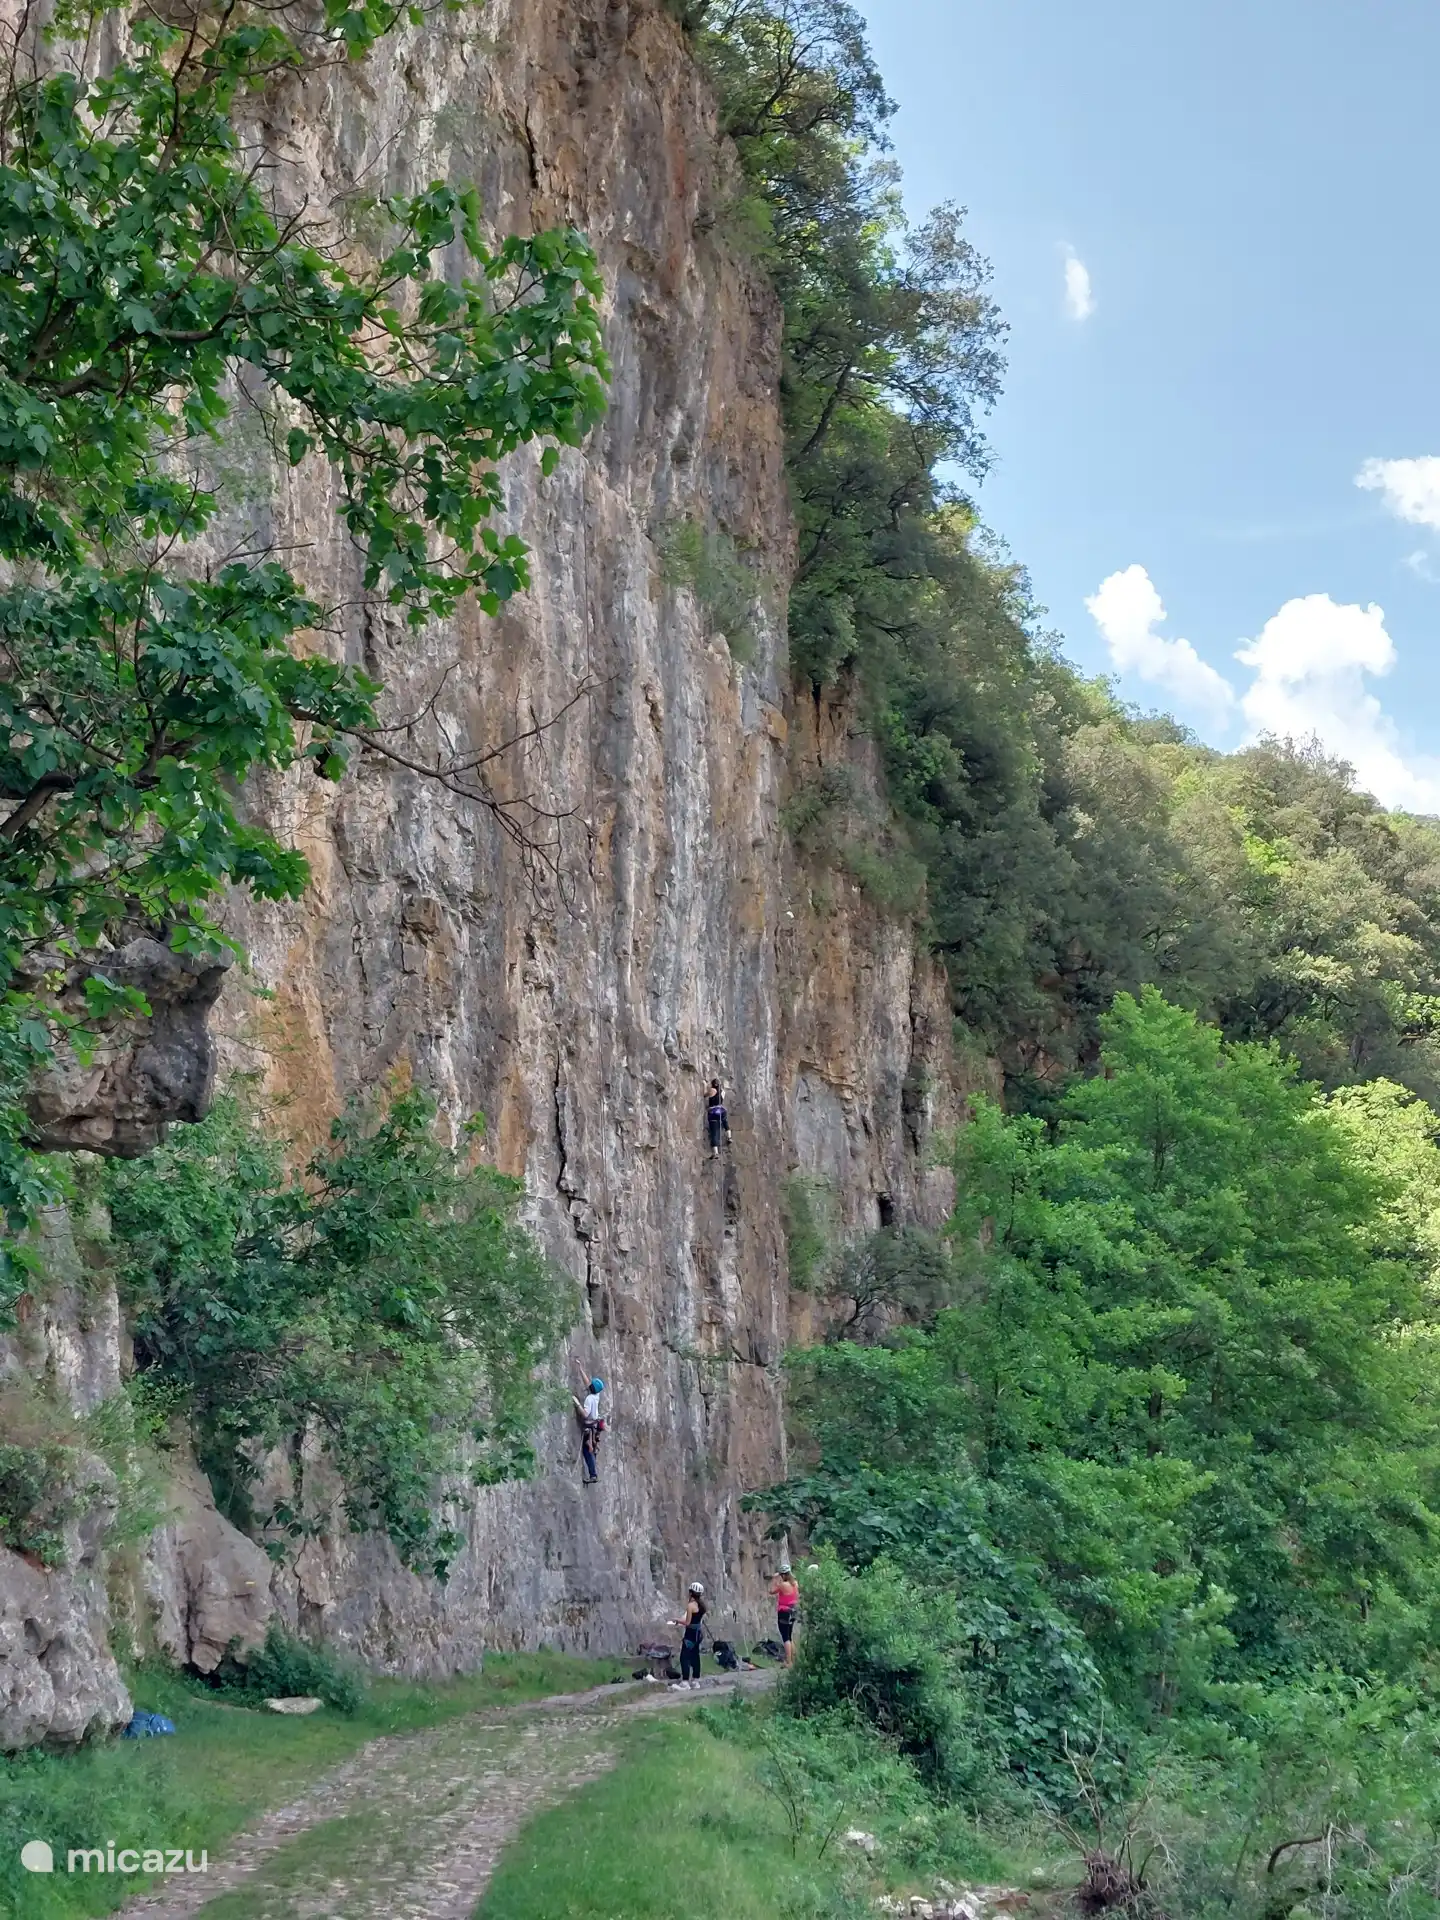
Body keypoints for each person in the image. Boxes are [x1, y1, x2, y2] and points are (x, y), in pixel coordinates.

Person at [670, 1582, 707, 1683]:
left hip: (690, 1635)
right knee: (695, 1656)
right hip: (698, 1634)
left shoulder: (691, 1606)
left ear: (691, 1593)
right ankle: (696, 1680)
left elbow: (687, 1622)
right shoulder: (702, 1606)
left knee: (684, 1658)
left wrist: (676, 1620)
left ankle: (685, 1681)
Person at [572, 1375, 605, 1484]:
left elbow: (585, 1414)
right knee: (592, 1449)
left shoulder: (589, 1399)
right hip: (595, 1427)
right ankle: (593, 1472)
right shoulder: (596, 1395)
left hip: (590, 1428)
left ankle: (593, 1475)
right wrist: (580, 1369)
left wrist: (577, 1404)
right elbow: (588, 1383)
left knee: (587, 1451)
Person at [772, 1567, 799, 1666]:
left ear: (783, 1575)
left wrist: (774, 1580)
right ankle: (794, 1660)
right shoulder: (795, 1583)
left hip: (784, 1612)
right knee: (790, 1636)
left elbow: (771, 1591)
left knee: (785, 1637)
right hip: (793, 1611)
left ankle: (789, 1662)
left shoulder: (783, 1585)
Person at [706, 1080, 731, 1159]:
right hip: (721, 1110)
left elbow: (704, 1095)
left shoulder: (712, 1090)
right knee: (725, 1123)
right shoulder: (723, 1091)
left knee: (714, 1132)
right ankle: (729, 1137)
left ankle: (716, 1153)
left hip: (713, 1112)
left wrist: (704, 1085)